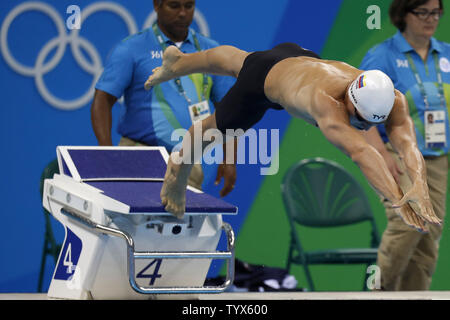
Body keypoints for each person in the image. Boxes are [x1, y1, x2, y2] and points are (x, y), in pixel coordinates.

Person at [144, 42, 443, 237]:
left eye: (369, 122)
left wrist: (419, 186)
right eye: (359, 118)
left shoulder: (392, 98)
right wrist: (397, 199)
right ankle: (177, 168)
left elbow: (408, 144)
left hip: (296, 57)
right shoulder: (326, 103)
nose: (361, 126)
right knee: (215, 128)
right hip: (266, 83)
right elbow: (363, 152)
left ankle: (178, 63)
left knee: (241, 60)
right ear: (349, 99)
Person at [90, 0, 236, 196]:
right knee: (134, 225)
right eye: (174, 6)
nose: (183, 13)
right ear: (157, 5)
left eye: (189, 6)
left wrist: (229, 158)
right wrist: (107, 153)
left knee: (185, 225)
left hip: (188, 161)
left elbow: (229, 109)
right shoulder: (132, 49)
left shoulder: (211, 52)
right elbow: (102, 100)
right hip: (138, 159)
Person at [360, 0, 449, 291]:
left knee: (429, 233)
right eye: (422, 12)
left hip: (435, 159)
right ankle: (378, 292)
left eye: (435, 12)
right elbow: (361, 111)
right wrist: (380, 154)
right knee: (408, 222)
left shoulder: (446, 54)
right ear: (403, 14)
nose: (430, 18)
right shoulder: (382, 57)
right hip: (395, 156)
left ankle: (415, 296)